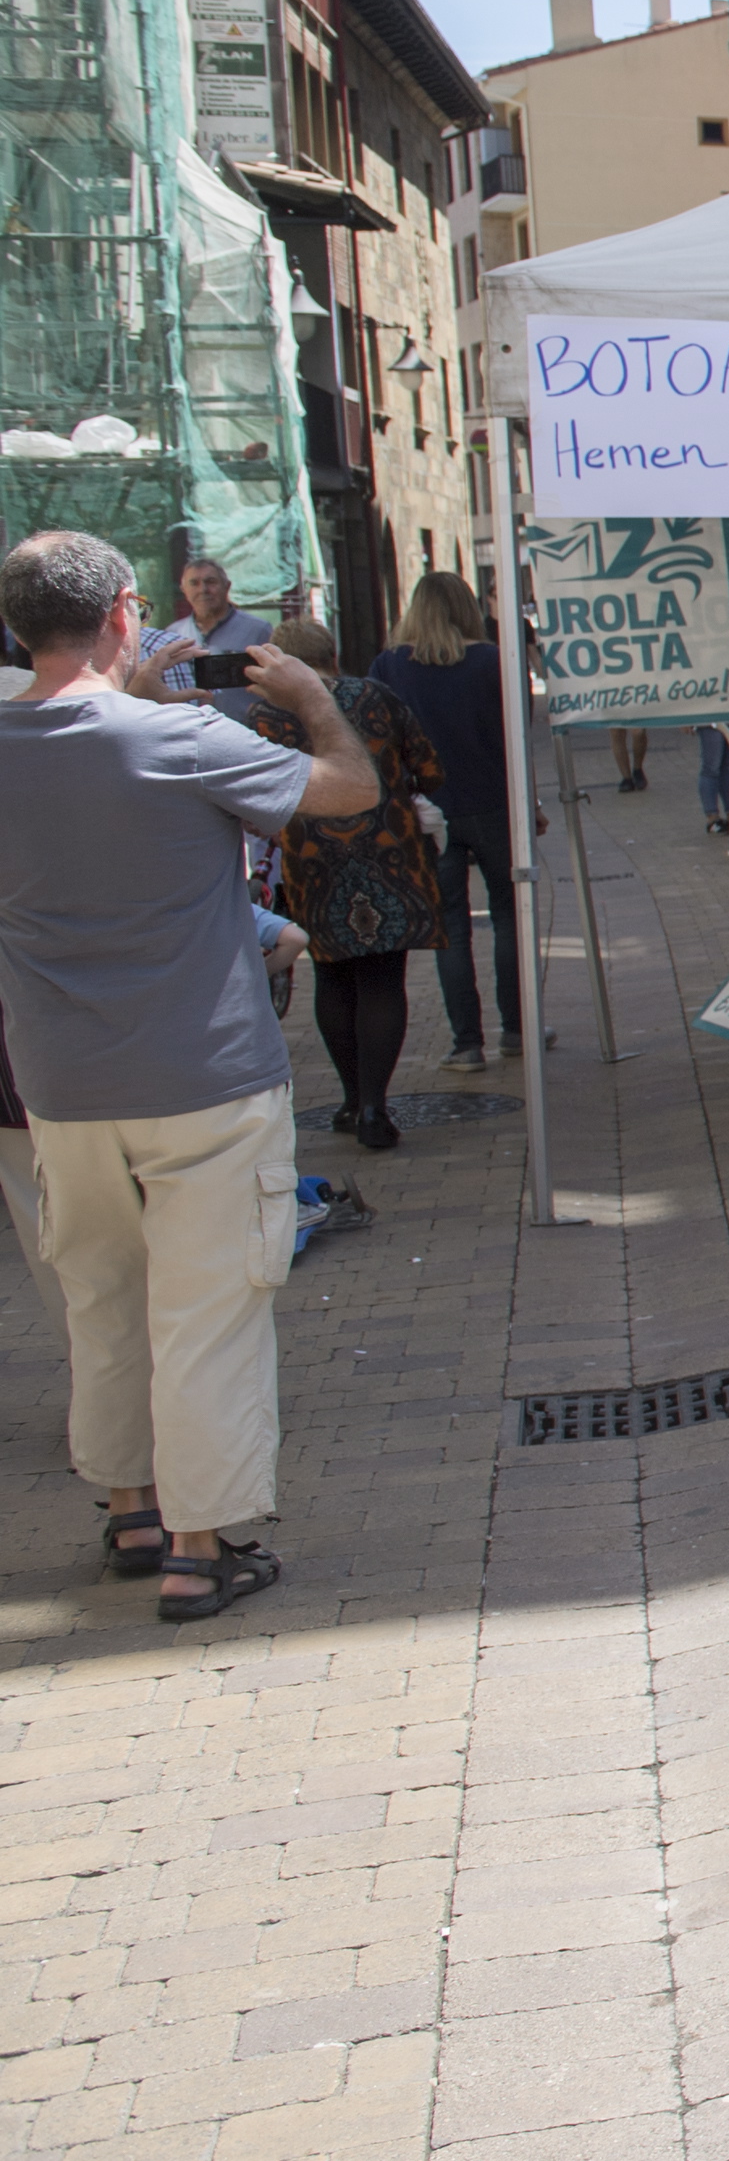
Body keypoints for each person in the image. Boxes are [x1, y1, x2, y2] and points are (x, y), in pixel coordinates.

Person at [0, 529, 376, 1622]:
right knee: (207, 1313)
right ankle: (199, 1548)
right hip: (205, 1074)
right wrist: (310, 694)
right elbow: (348, 791)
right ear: (127, 612)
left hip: (61, 1084)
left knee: (103, 1306)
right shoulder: (181, 741)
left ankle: (130, 1508)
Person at [255, 619, 451, 1154]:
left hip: (312, 861)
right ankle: (374, 1106)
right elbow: (430, 769)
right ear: (333, 652)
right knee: (383, 980)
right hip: (390, 856)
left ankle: (349, 1098)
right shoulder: (376, 696)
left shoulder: (266, 714)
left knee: (333, 978)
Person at [367, 571, 522, 1074]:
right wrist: (531, 805)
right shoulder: (492, 661)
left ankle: (467, 1043)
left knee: (451, 928)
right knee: (509, 917)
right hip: (495, 802)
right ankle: (517, 1028)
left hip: (428, 811)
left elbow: (378, 740)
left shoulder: (390, 665)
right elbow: (515, 738)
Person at [136, 550, 273, 722]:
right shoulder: (172, 634)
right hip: (193, 733)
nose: (203, 590)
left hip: (246, 731)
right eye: (194, 583)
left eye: (211, 582)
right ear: (183, 590)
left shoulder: (258, 630)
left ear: (227, 586)